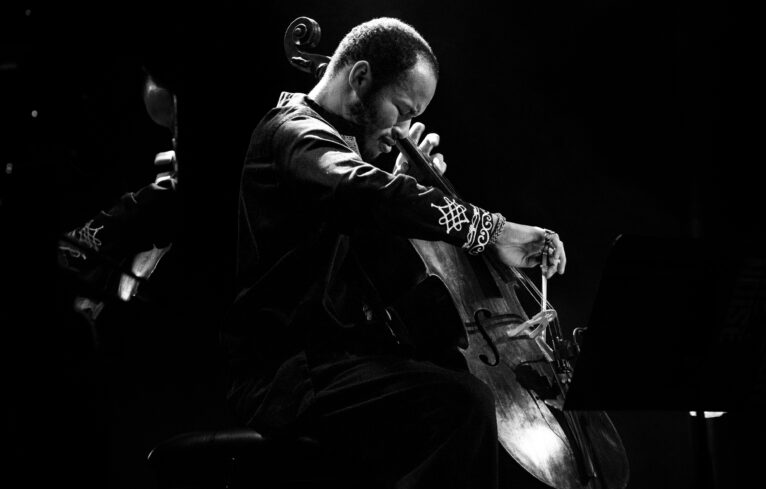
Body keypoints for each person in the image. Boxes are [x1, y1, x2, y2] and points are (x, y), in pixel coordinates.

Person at [223, 17, 566, 488]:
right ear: (361, 77)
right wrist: (491, 230)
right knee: (461, 404)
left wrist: (402, 178)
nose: (403, 130)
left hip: (335, 364)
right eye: (401, 110)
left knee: (453, 385)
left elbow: (368, 217)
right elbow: (364, 191)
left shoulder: (335, 151)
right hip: (288, 374)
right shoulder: (292, 132)